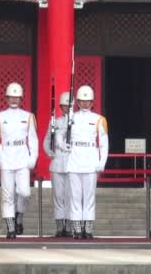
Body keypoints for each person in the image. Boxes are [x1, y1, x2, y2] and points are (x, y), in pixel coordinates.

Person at [0, 82, 38, 239]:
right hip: (7, 157)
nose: (14, 100)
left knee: (25, 192)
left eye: (17, 97)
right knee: (7, 195)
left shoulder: (28, 116)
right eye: (11, 97)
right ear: (7, 98)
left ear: (21, 98)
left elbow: (33, 139)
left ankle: (19, 215)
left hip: (22, 157)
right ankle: (11, 227)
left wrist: (33, 157)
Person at [57, 85, 108, 239]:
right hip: (74, 159)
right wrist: (61, 144)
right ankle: (77, 227)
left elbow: (104, 143)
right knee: (75, 196)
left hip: (91, 159)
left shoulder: (99, 119)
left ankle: (88, 226)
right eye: (82, 101)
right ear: (77, 101)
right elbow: (59, 134)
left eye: (88, 101)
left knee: (89, 196)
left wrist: (102, 162)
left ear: (92, 102)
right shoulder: (70, 117)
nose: (85, 104)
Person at [42, 92, 72, 237]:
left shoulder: (76, 122)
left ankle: (70, 225)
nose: (67, 108)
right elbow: (47, 140)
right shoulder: (55, 122)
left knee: (70, 196)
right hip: (57, 163)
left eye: (69, 105)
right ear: (60, 107)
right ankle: (60, 226)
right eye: (64, 105)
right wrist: (49, 152)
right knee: (58, 196)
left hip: (72, 164)